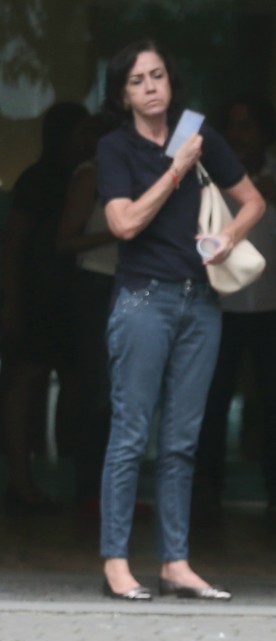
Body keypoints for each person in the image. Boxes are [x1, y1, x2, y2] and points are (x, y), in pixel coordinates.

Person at [96, 40, 265, 601]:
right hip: (144, 301)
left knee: (183, 441)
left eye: (158, 75)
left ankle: (175, 562)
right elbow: (123, 224)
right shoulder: (115, 149)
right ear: (122, 95)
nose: (150, 87)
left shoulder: (199, 133)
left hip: (201, 303)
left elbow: (254, 202)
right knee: (130, 435)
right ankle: (117, 562)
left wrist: (227, 237)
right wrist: (176, 171)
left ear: (171, 80)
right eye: (137, 80)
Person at [194, 94, 276, 520]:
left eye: (246, 125)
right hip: (220, 306)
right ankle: (206, 490)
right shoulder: (208, 173)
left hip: (272, 307)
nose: (237, 135)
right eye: (231, 125)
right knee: (212, 402)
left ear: (266, 132)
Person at [1, 101, 89, 512]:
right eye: (81, 133)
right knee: (26, 384)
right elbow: (14, 243)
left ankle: (75, 482)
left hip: (72, 296)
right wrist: (11, 301)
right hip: (38, 294)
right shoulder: (38, 180)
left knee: (74, 387)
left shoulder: (84, 176)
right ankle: (21, 481)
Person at [53, 112, 120, 514]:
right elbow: (65, 240)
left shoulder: (136, 173)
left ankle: (111, 491)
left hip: (129, 285)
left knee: (122, 392)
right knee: (100, 389)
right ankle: (88, 488)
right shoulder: (92, 174)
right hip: (96, 284)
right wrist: (116, 232)